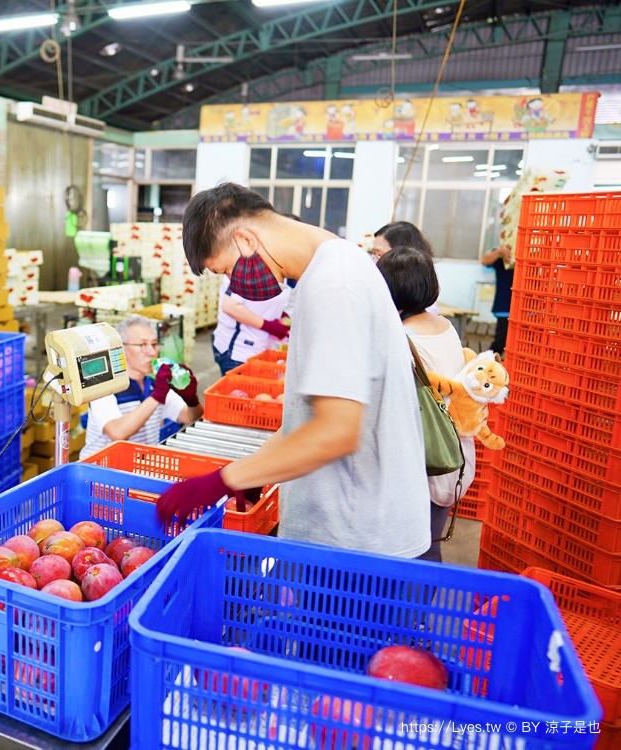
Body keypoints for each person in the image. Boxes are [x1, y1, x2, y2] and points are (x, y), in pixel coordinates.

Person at [156, 183, 431, 560]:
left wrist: (224, 480)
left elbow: (336, 432)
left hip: (358, 544)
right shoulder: (333, 270)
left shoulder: (335, 286)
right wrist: (253, 471)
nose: (233, 284)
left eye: (226, 270)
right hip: (350, 531)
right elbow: (309, 423)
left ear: (245, 240)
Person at [376, 246, 477, 563]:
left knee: (405, 549)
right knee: (430, 542)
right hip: (452, 450)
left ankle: (402, 612)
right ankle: (417, 613)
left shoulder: (401, 338)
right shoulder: (446, 327)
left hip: (419, 459)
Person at [78, 315, 203, 460]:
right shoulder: (104, 388)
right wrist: (157, 396)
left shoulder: (154, 385)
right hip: (98, 472)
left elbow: (190, 417)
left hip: (137, 468)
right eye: (142, 345)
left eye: (154, 344)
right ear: (121, 349)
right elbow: (117, 432)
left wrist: (192, 400)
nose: (152, 352)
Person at [212, 274, 291, 375]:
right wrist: (268, 325)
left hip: (261, 350)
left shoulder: (278, 267)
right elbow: (230, 306)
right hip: (238, 352)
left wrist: (280, 314)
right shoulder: (246, 266)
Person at [480, 245, 513, 357]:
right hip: (505, 305)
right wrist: (500, 252)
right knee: (500, 342)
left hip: (527, 308)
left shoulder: (531, 251)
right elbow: (484, 261)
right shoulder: (502, 250)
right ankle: (485, 363)